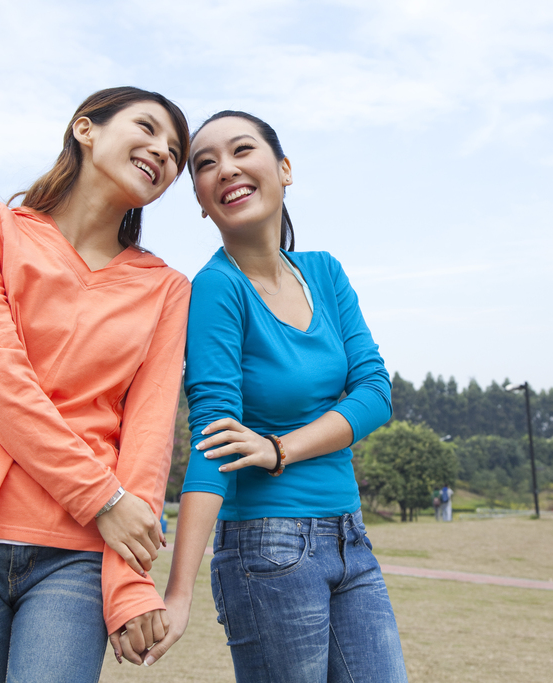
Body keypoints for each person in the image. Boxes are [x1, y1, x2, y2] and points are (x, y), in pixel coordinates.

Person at [0, 87, 191, 683]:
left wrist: (131, 580)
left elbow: (149, 434)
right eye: (149, 128)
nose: (164, 152)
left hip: (76, 554)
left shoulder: (167, 289)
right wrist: (101, 498)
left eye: (176, 152)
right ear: (85, 129)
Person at [149, 111, 408, 682]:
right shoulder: (216, 288)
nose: (226, 169)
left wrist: (279, 448)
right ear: (199, 198)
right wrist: (179, 592)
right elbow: (214, 438)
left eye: (242, 150)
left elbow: (375, 393)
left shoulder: (326, 272)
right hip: (268, 550)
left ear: (284, 169)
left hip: (350, 536)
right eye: (205, 163)